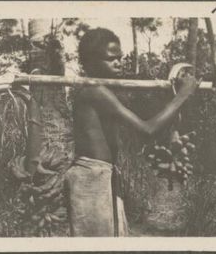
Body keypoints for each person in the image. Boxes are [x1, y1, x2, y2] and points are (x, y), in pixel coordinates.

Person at [64, 28, 199, 237]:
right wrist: (182, 95)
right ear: (90, 62)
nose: (119, 62)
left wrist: (172, 99)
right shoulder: (95, 91)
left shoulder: (103, 91)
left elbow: (149, 124)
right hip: (91, 178)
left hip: (102, 175)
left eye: (120, 58)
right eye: (111, 59)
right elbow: (147, 130)